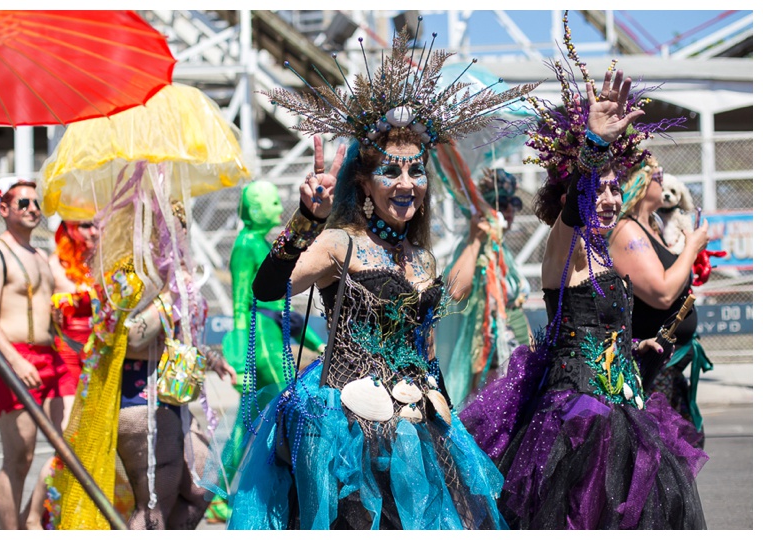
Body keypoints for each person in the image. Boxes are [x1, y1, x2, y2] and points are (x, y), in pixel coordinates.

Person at [201, 25, 540, 530]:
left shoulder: (421, 258)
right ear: (363, 181)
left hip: (416, 428)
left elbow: (425, 347)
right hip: (345, 432)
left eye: (416, 171)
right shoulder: (343, 243)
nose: (407, 184)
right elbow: (268, 289)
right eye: (392, 172)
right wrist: (305, 219)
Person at [459, 14, 708, 529]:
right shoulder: (563, 249)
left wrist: (631, 346)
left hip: (622, 411)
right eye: (603, 188)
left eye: (619, 188)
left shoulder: (607, 253)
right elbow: (577, 205)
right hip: (574, 423)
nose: (611, 199)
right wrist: (592, 149)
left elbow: (604, 324)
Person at [45, 179, 236, 529]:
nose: (178, 237)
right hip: (139, 400)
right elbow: (131, 337)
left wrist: (211, 358)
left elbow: (182, 335)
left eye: (181, 228)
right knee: (152, 510)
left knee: (200, 489)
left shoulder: (175, 273)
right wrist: (169, 296)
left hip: (174, 400)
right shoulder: (131, 275)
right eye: (169, 229)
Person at [207, 180, 325, 523]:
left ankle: (218, 492)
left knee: (249, 421)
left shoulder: (257, 242)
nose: (278, 207)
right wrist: (239, 348)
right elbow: (242, 298)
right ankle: (292, 486)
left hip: (270, 332)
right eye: (273, 202)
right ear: (257, 208)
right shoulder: (246, 245)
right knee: (292, 405)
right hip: (261, 340)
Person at [0, 177, 77, 529]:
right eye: (23, 203)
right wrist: (15, 361)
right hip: (14, 359)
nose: (33, 209)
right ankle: (11, 531)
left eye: (36, 203)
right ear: (4, 209)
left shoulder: (39, 255)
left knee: (70, 446)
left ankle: (31, 517)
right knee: (20, 456)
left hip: (53, 357)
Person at [608, 156, 711, 445]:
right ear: (639, 181)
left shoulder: (652, 225)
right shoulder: (626, 229)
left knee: (682, 452)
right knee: (659, 460)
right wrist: (691, 247)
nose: (662, 179)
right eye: (657, 174)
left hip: (670, 366)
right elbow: (662, 293)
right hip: (651, 367)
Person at [443, 169, 532, 405]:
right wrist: (476, 239)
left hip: (518, 354)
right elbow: (454, 290)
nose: (510, 210)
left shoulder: (504, 252)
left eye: (514, 203)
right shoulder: (474, 245)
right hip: (491, 360)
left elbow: (515, 308)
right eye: (501, 204)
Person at [49, 220, 100, 383]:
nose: (93, 232)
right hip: (67, 352)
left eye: (97, 225)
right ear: (70, 229)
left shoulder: (105, 264)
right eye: (85, 226)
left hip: (100, 352)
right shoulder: (55, 265)